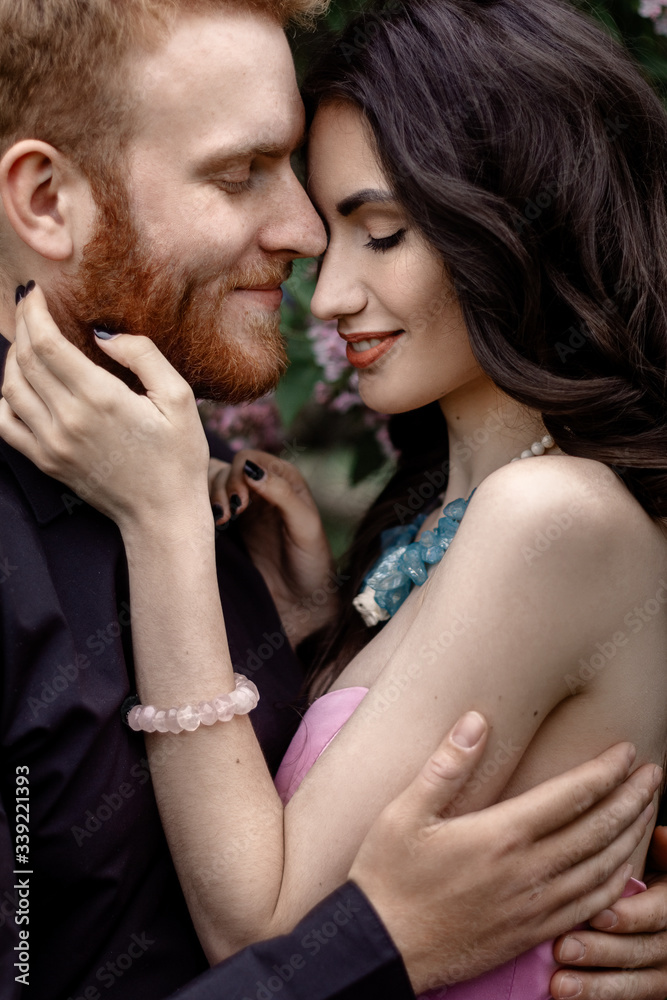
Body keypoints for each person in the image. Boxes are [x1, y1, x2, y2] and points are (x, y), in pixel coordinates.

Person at [5, 1, 667, 999]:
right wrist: (313, 638)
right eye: (240, 175)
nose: (318, 277)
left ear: (521, 220)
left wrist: (174, 533)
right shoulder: (403, 533)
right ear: (43, 198)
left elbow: (259, 912)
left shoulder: (545, 518)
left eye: (382, 231)